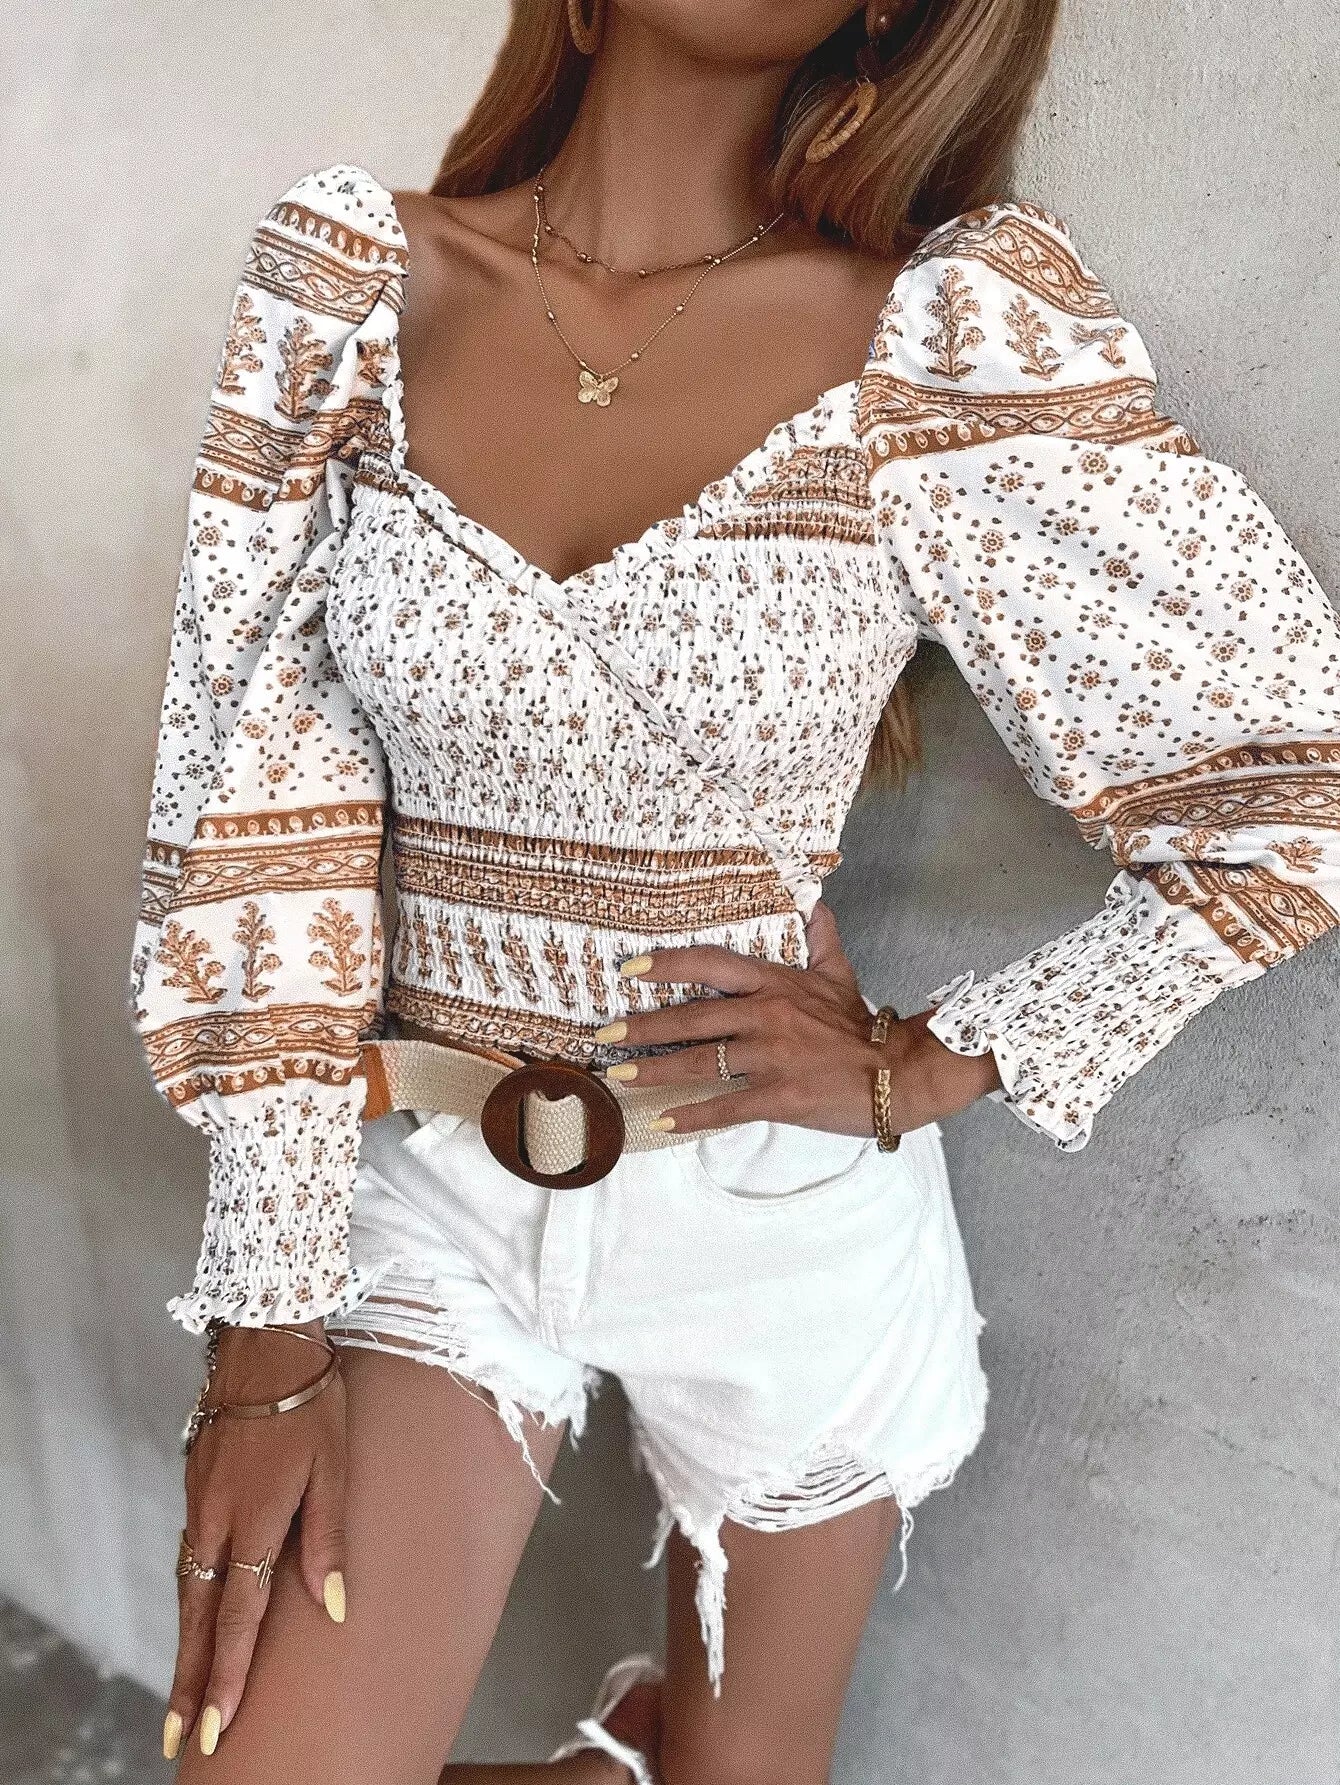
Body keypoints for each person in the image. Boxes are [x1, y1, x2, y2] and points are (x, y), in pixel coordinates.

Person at [127, 1, 1340, 1779]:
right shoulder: (355, 295)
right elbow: (258, 835)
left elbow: (1291, 783)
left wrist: (932, 1058)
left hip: (782, 1212)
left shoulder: (942, 337)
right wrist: (265, 1340)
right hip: (433, 1181)